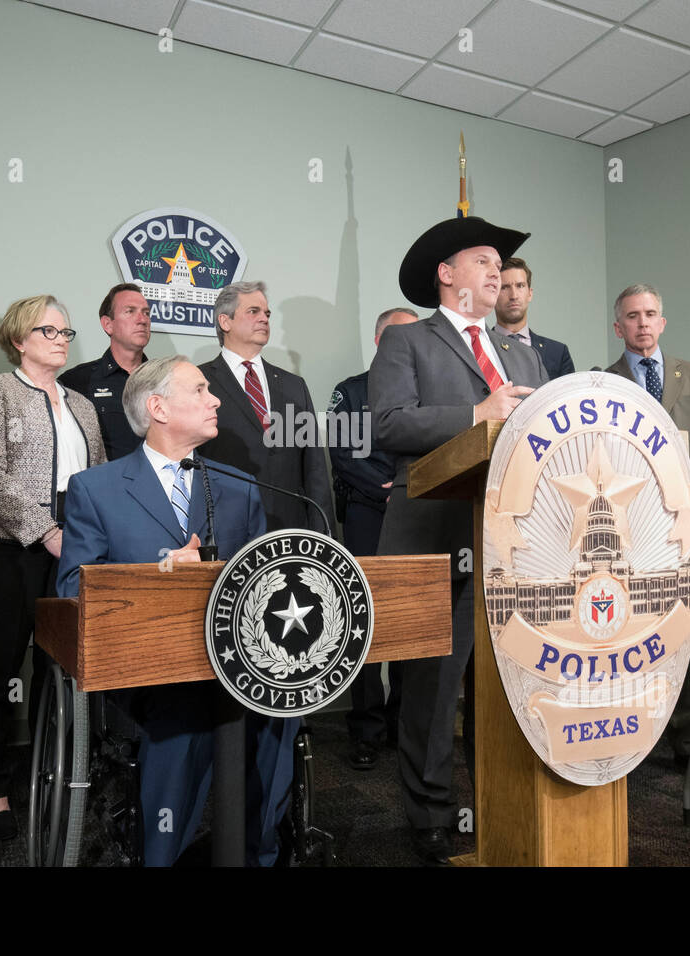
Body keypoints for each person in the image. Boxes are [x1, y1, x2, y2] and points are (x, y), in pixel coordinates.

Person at [57, 355, 293, 866]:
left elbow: (263, 579)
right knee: (184, 711)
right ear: (157, 407)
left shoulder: (240, 485)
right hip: (152, 671)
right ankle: (163, 854)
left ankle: (259, 852)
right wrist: (160, 573)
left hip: (237, 663)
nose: (215, 400)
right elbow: (74, 586)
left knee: (283, 706)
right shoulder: (96, 489)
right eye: (202, 389)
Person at [370, 217, 548, 864]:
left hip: (510, 548)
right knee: (433, 689)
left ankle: (497, 801)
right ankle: (430, 814)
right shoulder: (406, 342)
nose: (496, 272)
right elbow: (389, 424)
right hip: (433, 542)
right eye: (483, 260)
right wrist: (476, 415)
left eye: (500, 264)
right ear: (446, 274)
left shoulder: (523, 354)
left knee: (501, 686)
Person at [0, 295, 104, 841]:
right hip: (7, 546)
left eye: (67, 332)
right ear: (19, 339)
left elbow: (97, 479)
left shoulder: (82, 404)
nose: (62, 339)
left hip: (74, 545)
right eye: (50, 331)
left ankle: (62, 777)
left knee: (63, 667)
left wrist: (88, 536)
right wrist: (44, 531)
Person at [605, 283, 690, 788]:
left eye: (651, 314)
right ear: (619, 327)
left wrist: (685, 505)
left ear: (663, 321)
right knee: (632, 631)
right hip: (628, 528)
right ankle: (629, 736)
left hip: (686, 523)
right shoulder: (601, 381)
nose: (643, 323)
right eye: (632, 316)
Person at [330, 306, 418, 771]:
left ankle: (403, 723)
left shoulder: (428, 391)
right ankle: (366, 730)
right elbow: (343, 454)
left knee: (407, 622)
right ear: (383, 341)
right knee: (362, 624)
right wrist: (388, 492)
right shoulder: (351, 391)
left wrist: (411, 490)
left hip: (416, 514)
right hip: (368, 515)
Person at [199, 281, 333, 533]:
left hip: (291, 529)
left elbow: (314, 468)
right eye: (253, 312)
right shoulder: (198, 381)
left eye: (267, 314)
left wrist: (323, 534)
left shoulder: (294, 385)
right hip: (226, 528)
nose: (264, 319)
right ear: (225, 322)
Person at [59, 282, 150, 460]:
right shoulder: (76, 381)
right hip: (105, 483)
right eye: (130, 311)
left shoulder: (166, 380)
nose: (142, 320)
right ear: (108, 324)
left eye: (146, 313)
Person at [492, 257, 574, 378]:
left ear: (530, 293)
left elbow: (567, 396)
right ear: (492, 294)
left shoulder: (557, 353)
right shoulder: (480, 348)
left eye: (520, 286)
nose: (514, 295)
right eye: (504, 287)